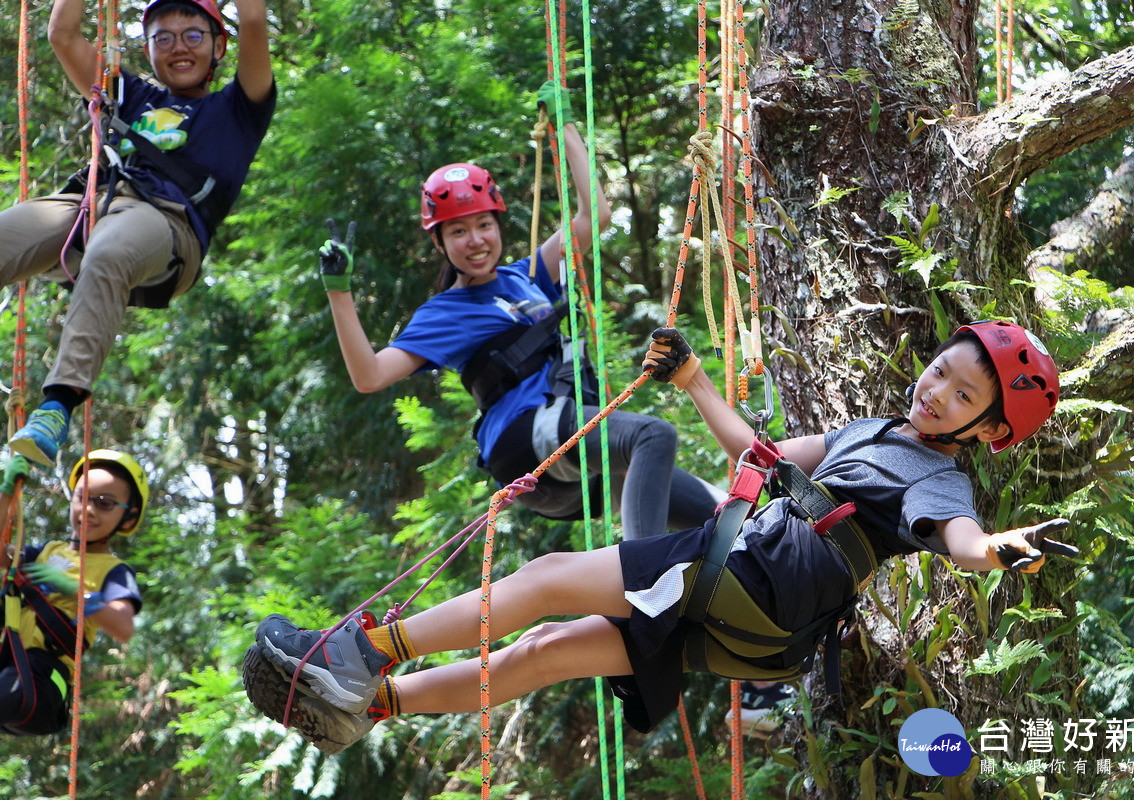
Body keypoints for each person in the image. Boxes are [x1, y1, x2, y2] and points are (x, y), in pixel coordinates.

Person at [241, 320, 1076, 753]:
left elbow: (962, 540)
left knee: (550, 575)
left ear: (984, 431)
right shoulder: (873, 429)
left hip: (756, 572)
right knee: (550, 651)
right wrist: (695, 380)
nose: (937, 392)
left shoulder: (941, 480)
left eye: (964, 397)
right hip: (767, 633)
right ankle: (370, 711)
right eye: (942, 371)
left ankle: (361, 654)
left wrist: (1005, 547)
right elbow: (763, 455)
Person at [316, 79, 724, 540]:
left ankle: (667, 595)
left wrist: (565, 126)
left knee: (723, 512)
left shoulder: (527, 276)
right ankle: (637, 575)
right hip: (522, 437)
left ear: (498, 225)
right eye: (457, 232)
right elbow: (368, 375)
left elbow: (595, 217)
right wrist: (338, 291)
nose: (475, 241)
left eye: (484, 225)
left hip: (567, 445)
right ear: (439, 242)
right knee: (653, 435)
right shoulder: (445, 312)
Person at [0, 0, 276, 468]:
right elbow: (62, 35)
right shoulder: (126, 91)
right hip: (93, 203)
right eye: (162, 38)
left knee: (108, 251)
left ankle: (57, 406)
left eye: (193, 35)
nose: (178, 48)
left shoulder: (238, 110)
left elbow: (252, 19)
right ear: (146, 49)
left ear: (218, 46)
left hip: (167, 223)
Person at [0, 449, 147, 735]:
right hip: (9, 666)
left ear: (127, 518)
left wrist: (73, 592)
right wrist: (6, 492)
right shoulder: (43, 553)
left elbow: (124, 626)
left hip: (45, 682)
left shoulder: (112, 570)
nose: (88, 509)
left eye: (104, 503)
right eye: (82, 497)